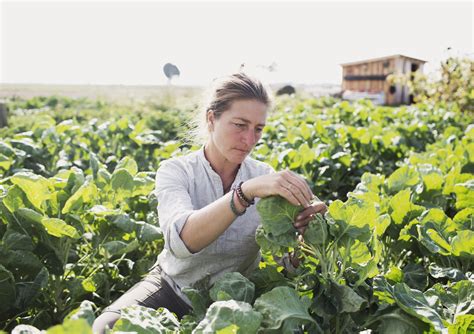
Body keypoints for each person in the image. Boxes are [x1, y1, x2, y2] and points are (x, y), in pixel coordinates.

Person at [92, 72, 327, 333]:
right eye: (240, 125)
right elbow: (182, 242)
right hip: (174, 289)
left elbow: (285, 264)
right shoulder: (177, 171)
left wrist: (305, 237)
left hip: (237, 301)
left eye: (258, 129)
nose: (250, 140)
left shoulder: (263, 176)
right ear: (211, 119)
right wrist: (244, 192)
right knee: (105, 328)